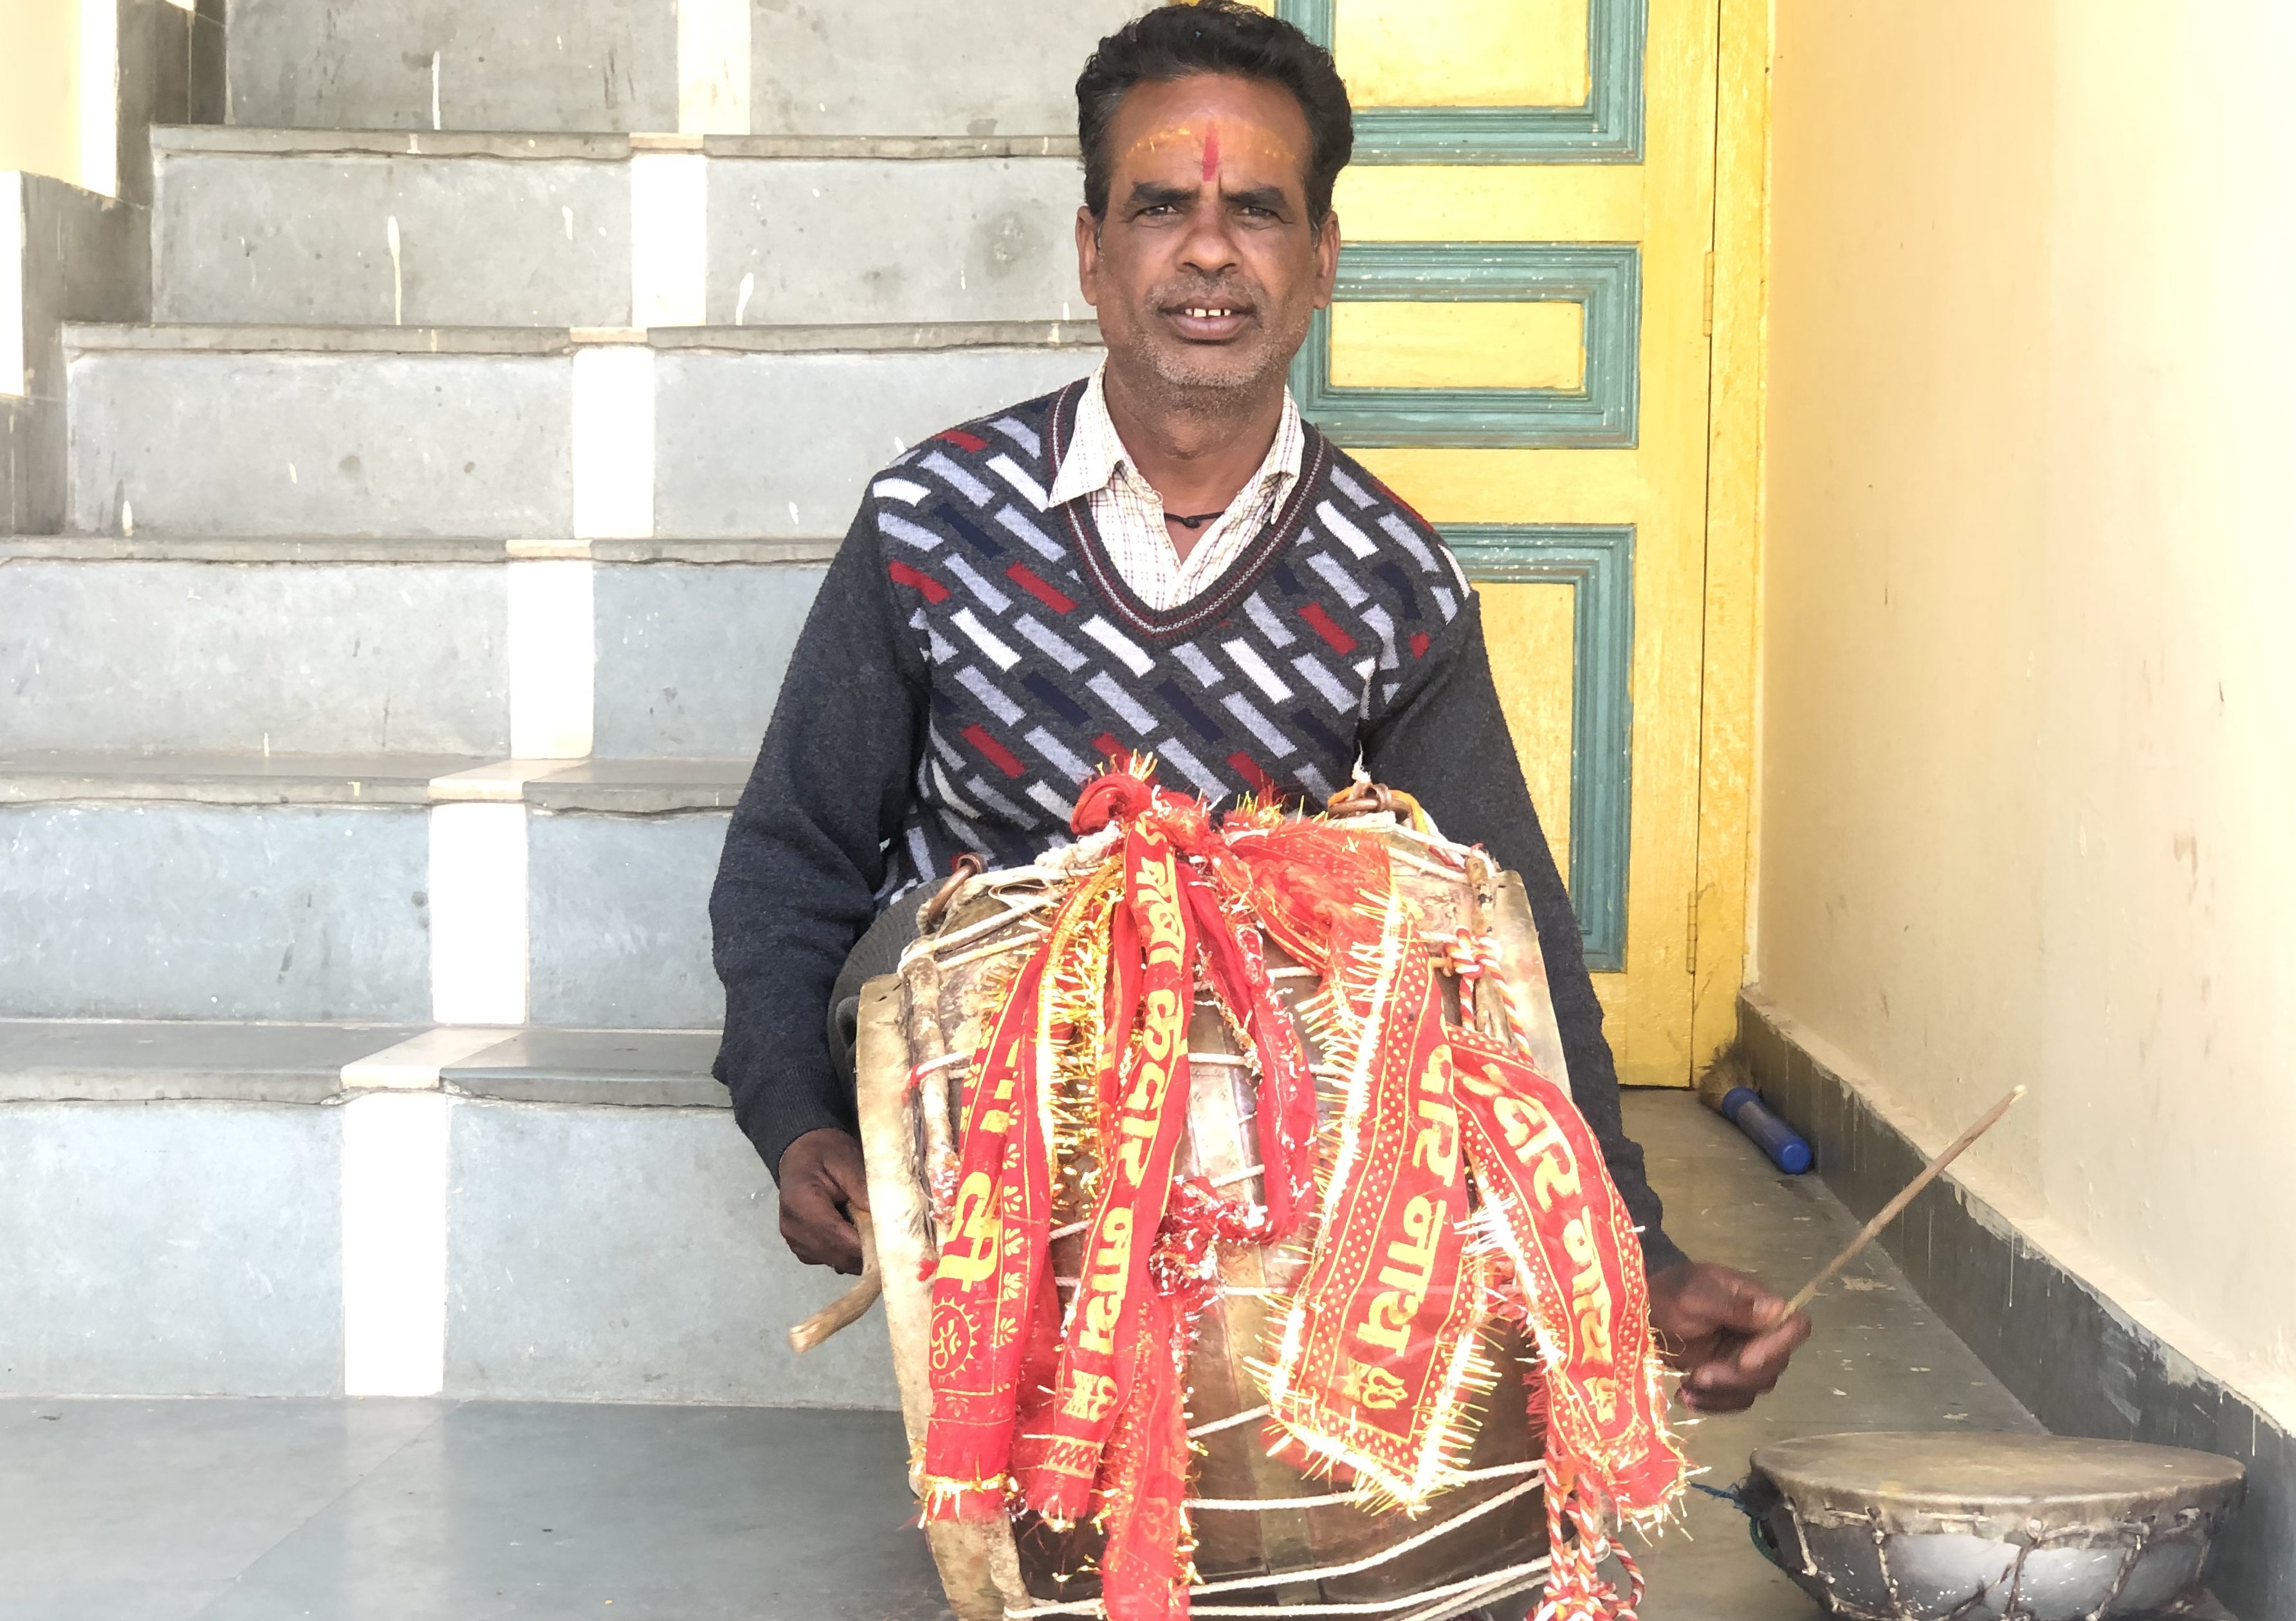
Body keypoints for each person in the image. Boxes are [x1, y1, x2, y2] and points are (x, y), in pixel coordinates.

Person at [708, 0, 1806, 1416]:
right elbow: (790, 856)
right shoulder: (935, 524)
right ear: (1094, 254)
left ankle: (1236, 1433)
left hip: (1257, 1192)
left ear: (1321, 261)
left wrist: (1629, 1253)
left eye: (1260, 212)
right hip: (993, 1166)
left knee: (1377, 981)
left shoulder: (1389, 581)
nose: (1210, 249)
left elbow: (1506, 933)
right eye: (1162, 206)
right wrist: (793, 1114)